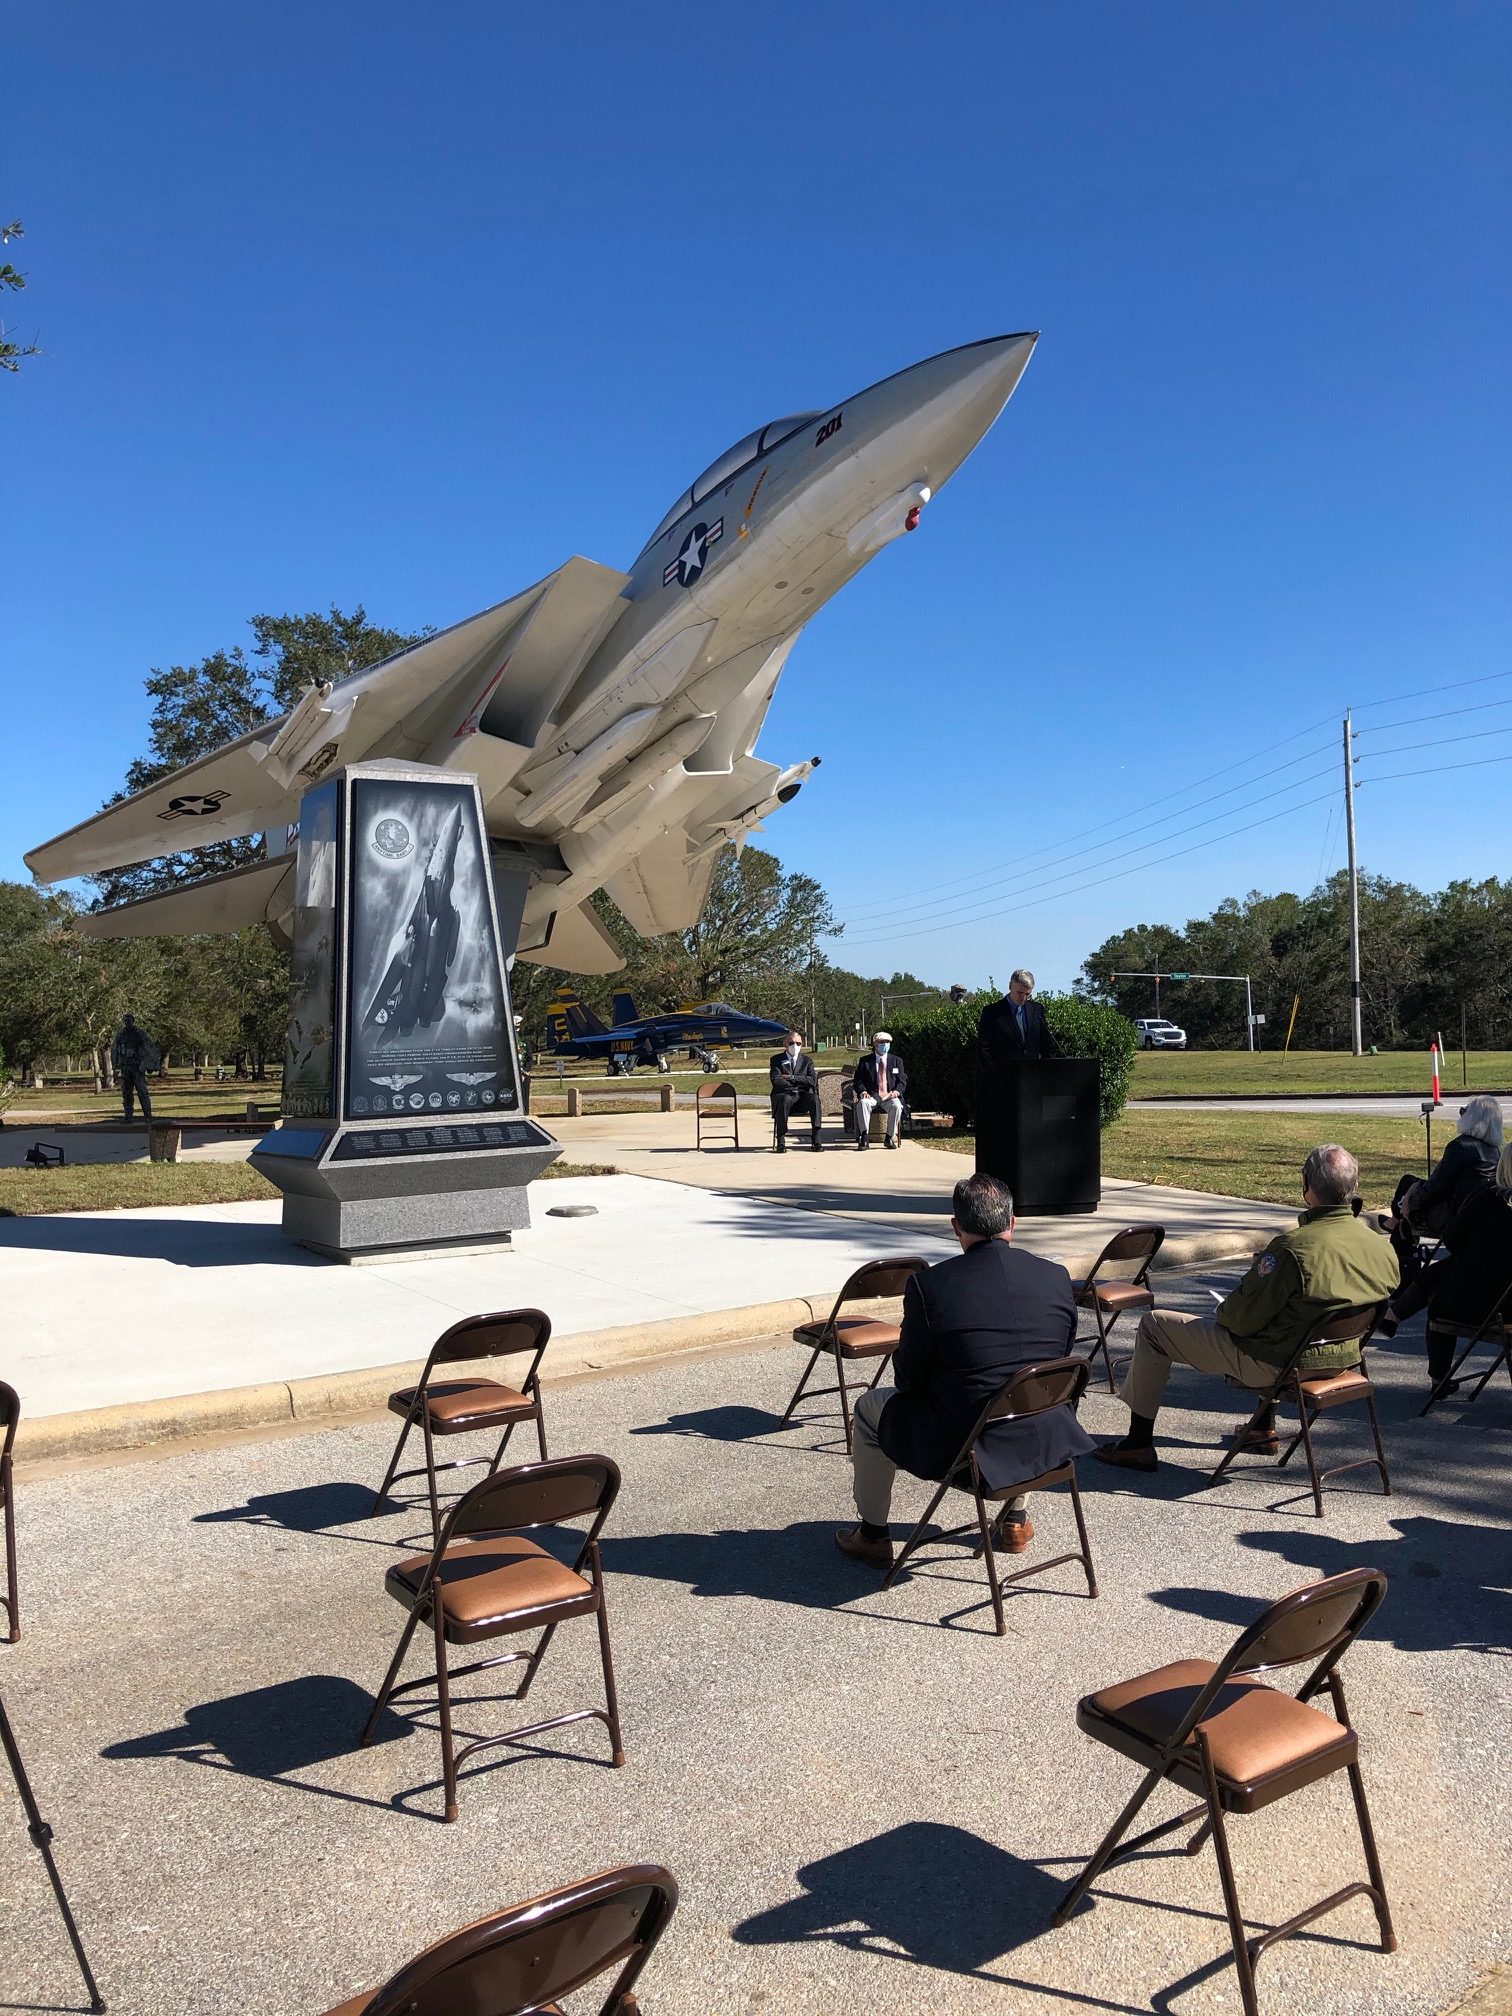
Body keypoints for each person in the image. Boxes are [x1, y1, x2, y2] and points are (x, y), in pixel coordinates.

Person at [836, 1172, 1091, 1566]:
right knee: (1026, 1390)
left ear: (957, 1227)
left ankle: (872, 1535)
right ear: (1012, 1223)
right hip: (1047, 1437)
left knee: (869, 1408)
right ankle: (1015, 1520)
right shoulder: (1055, 1277)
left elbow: (908, 1381)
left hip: (967, 1450)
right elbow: (1058, 1357)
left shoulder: (931, 1287)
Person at [1096, 1144, 1400, 1473]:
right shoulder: (1380, 1247)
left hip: (1281, 1366)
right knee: (1286, 1319)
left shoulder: (1292, 1249)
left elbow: (1236, 1319)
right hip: (1344, 1361)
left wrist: (1253, 1284)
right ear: (1354, 1186)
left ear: (1306, 1185)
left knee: (1154, 1325)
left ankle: (1138, 1444)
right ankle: (1261, 1428)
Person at [1379, 1141, 1512, 1388]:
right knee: (1446, 1272)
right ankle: (1392, 1316)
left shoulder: (1487, 1198)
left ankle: (1438, 1376)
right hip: (1506, 1301)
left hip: (1483, 1307)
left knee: (1441, 1292)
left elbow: (1451, 1239)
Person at [1379, 1095, 1502, 1297]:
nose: (1461, 1114)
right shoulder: (1495, 1151)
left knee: (1408, 1187)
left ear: (1472, 1119)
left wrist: (1411, 1199)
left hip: (1451, 1216)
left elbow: (1434, 1189)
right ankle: (1398, 1220)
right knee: (1410, 1187)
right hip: (1473, 1213)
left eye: (1464, 1111)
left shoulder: (1460, 1147)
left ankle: (1397, 1227)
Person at [977, 969, 1062, 1068]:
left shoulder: (1037, 1010)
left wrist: (1045, 1070)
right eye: (1020, 992)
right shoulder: (992, 1012)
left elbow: (1048, 1045)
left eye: (1027, 994)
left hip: (1032, 1073)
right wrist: (993, 1073)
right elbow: (983, 1049)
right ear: (1010, 986)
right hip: (1003, 1074)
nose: (1023, 998)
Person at [769, 1029, 822, 1153]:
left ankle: (817, 1140)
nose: (795, 1046)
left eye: (798, 1043)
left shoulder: (807, 1061)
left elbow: (812, 1080)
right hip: (785, 1097)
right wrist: (797, 1084)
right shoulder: (776, 1060)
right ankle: (781, 1141)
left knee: (814, 1099)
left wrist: (792, 1077)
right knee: (784, 1099)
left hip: (802, 1097)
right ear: (785, 1044)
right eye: (791, 1043)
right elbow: (776, 1080)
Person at [852, 1031, 906, 1150]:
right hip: (872, 1095)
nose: (885, 1044)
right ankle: (864, 1136)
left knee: (897, 1106)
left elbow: (902, 1081)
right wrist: (863, 1092)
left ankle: (889, 1137)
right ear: (875, 1044)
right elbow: (858, 1081)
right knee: (862, 1104)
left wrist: (897, 1091)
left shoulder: (897, 1061)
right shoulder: (865, 1061)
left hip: (889, 1096)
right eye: (882, 1042)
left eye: (888, 1042)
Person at [110, 1013, 158, 1125]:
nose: (127, 1022)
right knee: (126, 1093)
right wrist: (115, 1065)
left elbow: (149, 1048)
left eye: (129, 1020)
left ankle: (148, 1116)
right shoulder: (121, 1035)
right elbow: (115, 1050)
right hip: (125, 1067)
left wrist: (150, 1064)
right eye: (125, 1020)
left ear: (133, 1021)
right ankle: (128, 1117)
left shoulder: (139, 1034)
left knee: (142, 1092)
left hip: (137, 1067)